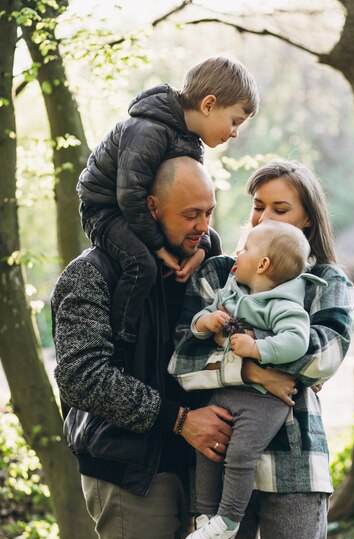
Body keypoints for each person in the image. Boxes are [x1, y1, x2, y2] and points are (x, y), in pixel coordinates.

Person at [168, 159, 354, 539]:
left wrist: (234, 354)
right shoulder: (218, 276)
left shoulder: (328, 283)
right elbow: (183, 363)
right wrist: (255, 373)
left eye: (280, 207)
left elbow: (323, 357)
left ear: (308, 217)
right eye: (258, 206)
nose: (264, 217)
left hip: (296, 463)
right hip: (219, 451)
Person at [52, 157, 240, 539]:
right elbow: (81, 376)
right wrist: (179, 419)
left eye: (209, 213)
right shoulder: (91, 274)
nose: (203, 226)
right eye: (189, 214)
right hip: (129, 470)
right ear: (151, 208)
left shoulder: (208, 272)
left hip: (194, 470)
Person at [77, 56, 259, 344]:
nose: (235, 133)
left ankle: (205, 322)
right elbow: (130, 195)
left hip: (148, 210)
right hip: (107, 211)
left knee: (211, 242)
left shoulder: (189, 140)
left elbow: (187, 206)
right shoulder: (147, 130)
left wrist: (199, 250)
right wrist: (159, 247)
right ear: (208, 105)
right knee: (142, 264)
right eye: (234, 121)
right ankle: (122, 335)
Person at [182, 221, 326, 539]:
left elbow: (296, 342)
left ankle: (229, 519)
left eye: (244, 249)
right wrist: (206, 323)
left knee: (240, 454)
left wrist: (258, 349)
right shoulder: (233, 292)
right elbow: (203, 318)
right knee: (210, 446)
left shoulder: (285, 304)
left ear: (263, 265)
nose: (236, 253)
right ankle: (206, 514)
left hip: (265, 402)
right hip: (229, 392)